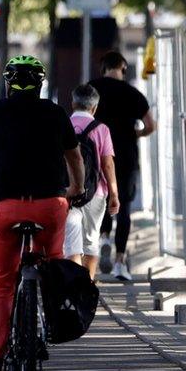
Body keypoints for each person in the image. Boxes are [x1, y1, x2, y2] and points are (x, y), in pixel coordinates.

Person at [0, 55, 84, 371]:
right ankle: (50, 325)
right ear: (40, 84)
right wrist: (76, 188)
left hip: (3, 206)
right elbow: (75, 158)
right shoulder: (55, 113)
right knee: (52, 262)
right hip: (49, 205)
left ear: (8, 83)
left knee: (1, 279)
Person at [89, 51, 155, 281]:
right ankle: (119, 262)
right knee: (123, 205)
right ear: (124, 68)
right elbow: (150, 125)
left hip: (96, 155)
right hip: (125, 155)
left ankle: (104, 236)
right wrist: (135, 133)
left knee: (101, 200)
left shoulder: (92, 89)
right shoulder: (133, 94)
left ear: (103, 68)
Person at [63, 84, 119, 280]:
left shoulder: (63, 126)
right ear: (94, 107)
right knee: (91, 241)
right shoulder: (101, 129)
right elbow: (107, 164)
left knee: (71, 242)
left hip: (67, 191)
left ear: (73, 103)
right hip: (95, 192)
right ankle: (87, 290)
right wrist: (114, 194)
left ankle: (72, 290)